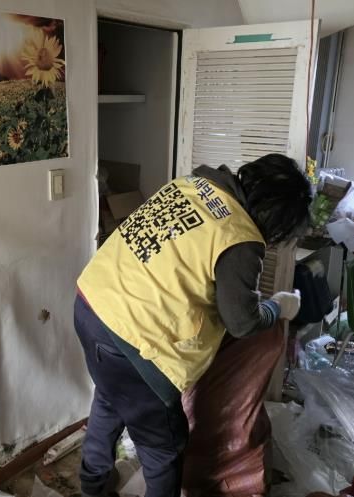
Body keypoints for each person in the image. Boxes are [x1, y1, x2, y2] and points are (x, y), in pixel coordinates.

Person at [74, 154, 312, 497]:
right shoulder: (240, 237)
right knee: (163, 448)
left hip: (92, 303)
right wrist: (278, 306)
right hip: (135, 343)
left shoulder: (193, 185)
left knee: (110, 400)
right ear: (276, 221)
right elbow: (242, 322)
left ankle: (92, 487)